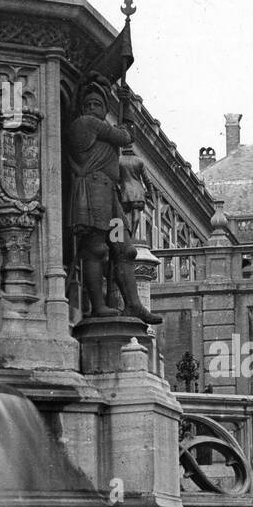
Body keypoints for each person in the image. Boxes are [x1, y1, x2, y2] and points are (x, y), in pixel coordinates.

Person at [66, 80, 161, 324]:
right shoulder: (86, 123)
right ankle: (98, 306)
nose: (93, 108)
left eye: (98, 104)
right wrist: (127, 105)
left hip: (110, 195)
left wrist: (126, 105)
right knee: (96, 249)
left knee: (125, 249)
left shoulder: (97, 125)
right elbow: (126, 136)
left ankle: (133, 304)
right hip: (93, 193)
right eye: (89, 103)